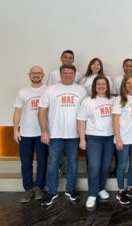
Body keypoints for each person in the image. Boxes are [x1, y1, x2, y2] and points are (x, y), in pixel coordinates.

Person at [38, 64, 87, 206]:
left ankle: (70, 189)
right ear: (60, 75)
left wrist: (83, 134)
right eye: (65, 73)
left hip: (74, 134)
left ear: (74, 74)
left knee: (73, 162)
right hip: (55, 134)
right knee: (53, 163)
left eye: (70, 73)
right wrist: (44, 131)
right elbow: (41, 112)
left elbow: (86, 112)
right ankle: (51, 191)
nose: (68, 75)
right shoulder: (51, 89)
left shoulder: (81, 90)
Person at [77, 75, 114, 210]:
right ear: (94, 86)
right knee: (94, 166)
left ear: (107, 86)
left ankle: (100, 188)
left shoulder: (113, 100)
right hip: (93, 138)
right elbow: (81, 121)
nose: (101, 86)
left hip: (110, 138)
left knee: (105, 166)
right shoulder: (88, 101)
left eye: (104, 84)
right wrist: (82, 139)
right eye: (98, 84)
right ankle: (92, 194)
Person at [13, 66, 48, 203]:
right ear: (29, 75)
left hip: (42, 133)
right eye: (33, 73)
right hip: (26, 133)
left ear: (43, 75)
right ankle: (28, 188)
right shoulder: (22, 92)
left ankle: (39, 186)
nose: (36, 75)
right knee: (26, 162)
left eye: (38, 73)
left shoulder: (48, 90)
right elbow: (17, 112)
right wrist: (16, 130)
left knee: (42, 161)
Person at [113, 75, 132, 205]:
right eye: (128, 83)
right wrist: (118, 139)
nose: (131, 85)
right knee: (122, 165)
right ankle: (121, 191)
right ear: (124, 85)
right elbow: (115, 120)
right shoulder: (120, 99)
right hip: (123, 138)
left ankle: (130, 188)